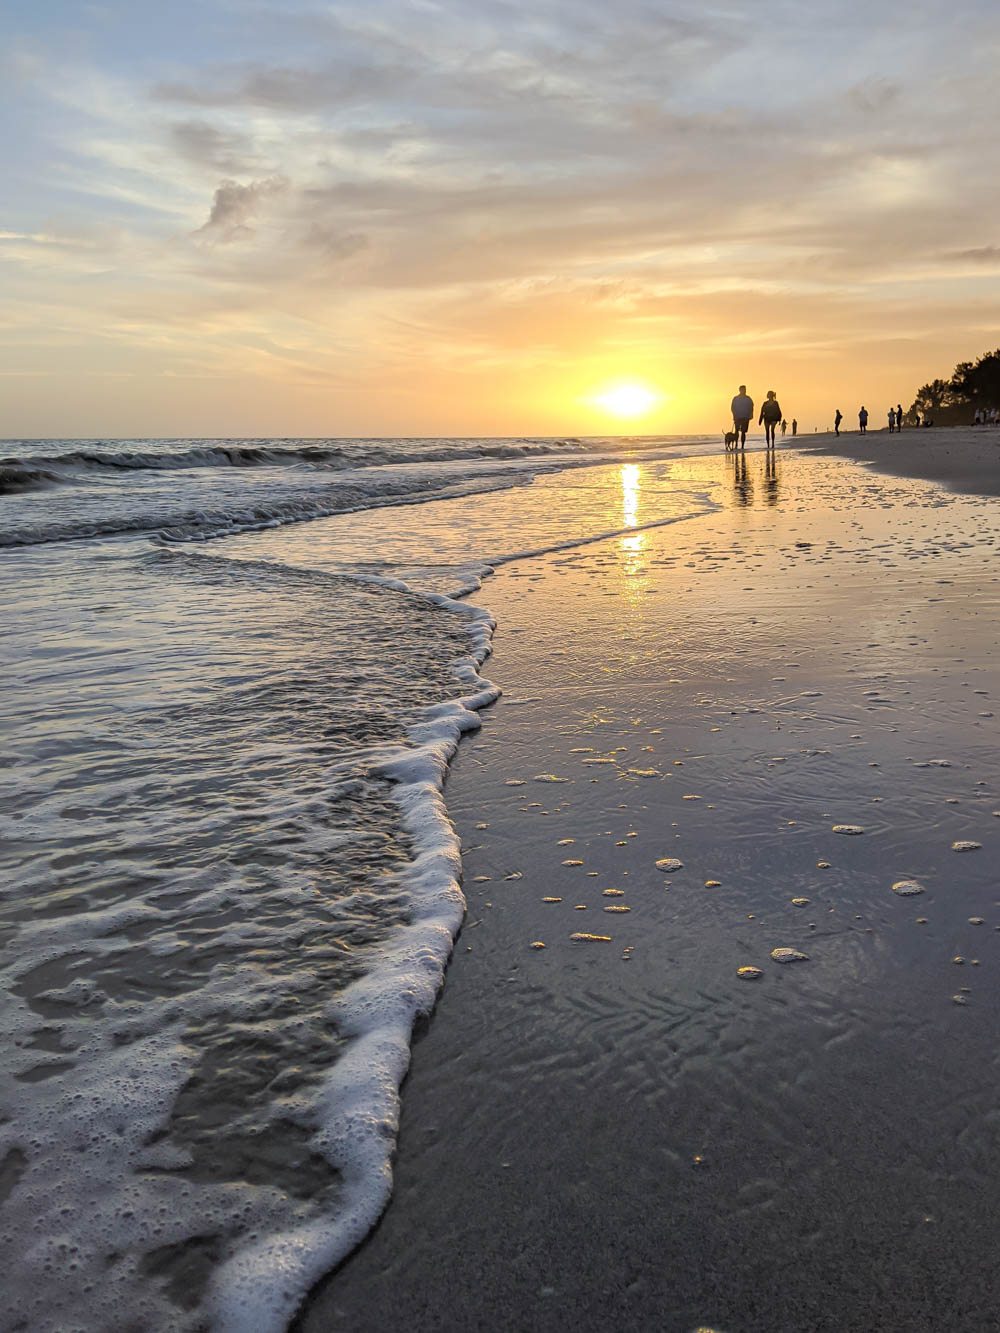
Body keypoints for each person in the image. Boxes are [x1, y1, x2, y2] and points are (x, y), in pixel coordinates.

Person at [730, 384, 754, 449]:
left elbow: (751, 407)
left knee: (743, 432)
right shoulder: (735, 398)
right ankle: (736, 444)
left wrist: (751, 415)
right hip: (737, 417)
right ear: (740, 390)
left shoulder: (748, 398)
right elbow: (732, 407)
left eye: (745, 389)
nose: (744, 391)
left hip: (745, 417)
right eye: (743, 389)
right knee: (736, 431)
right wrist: (734, 415)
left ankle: (742, 446)